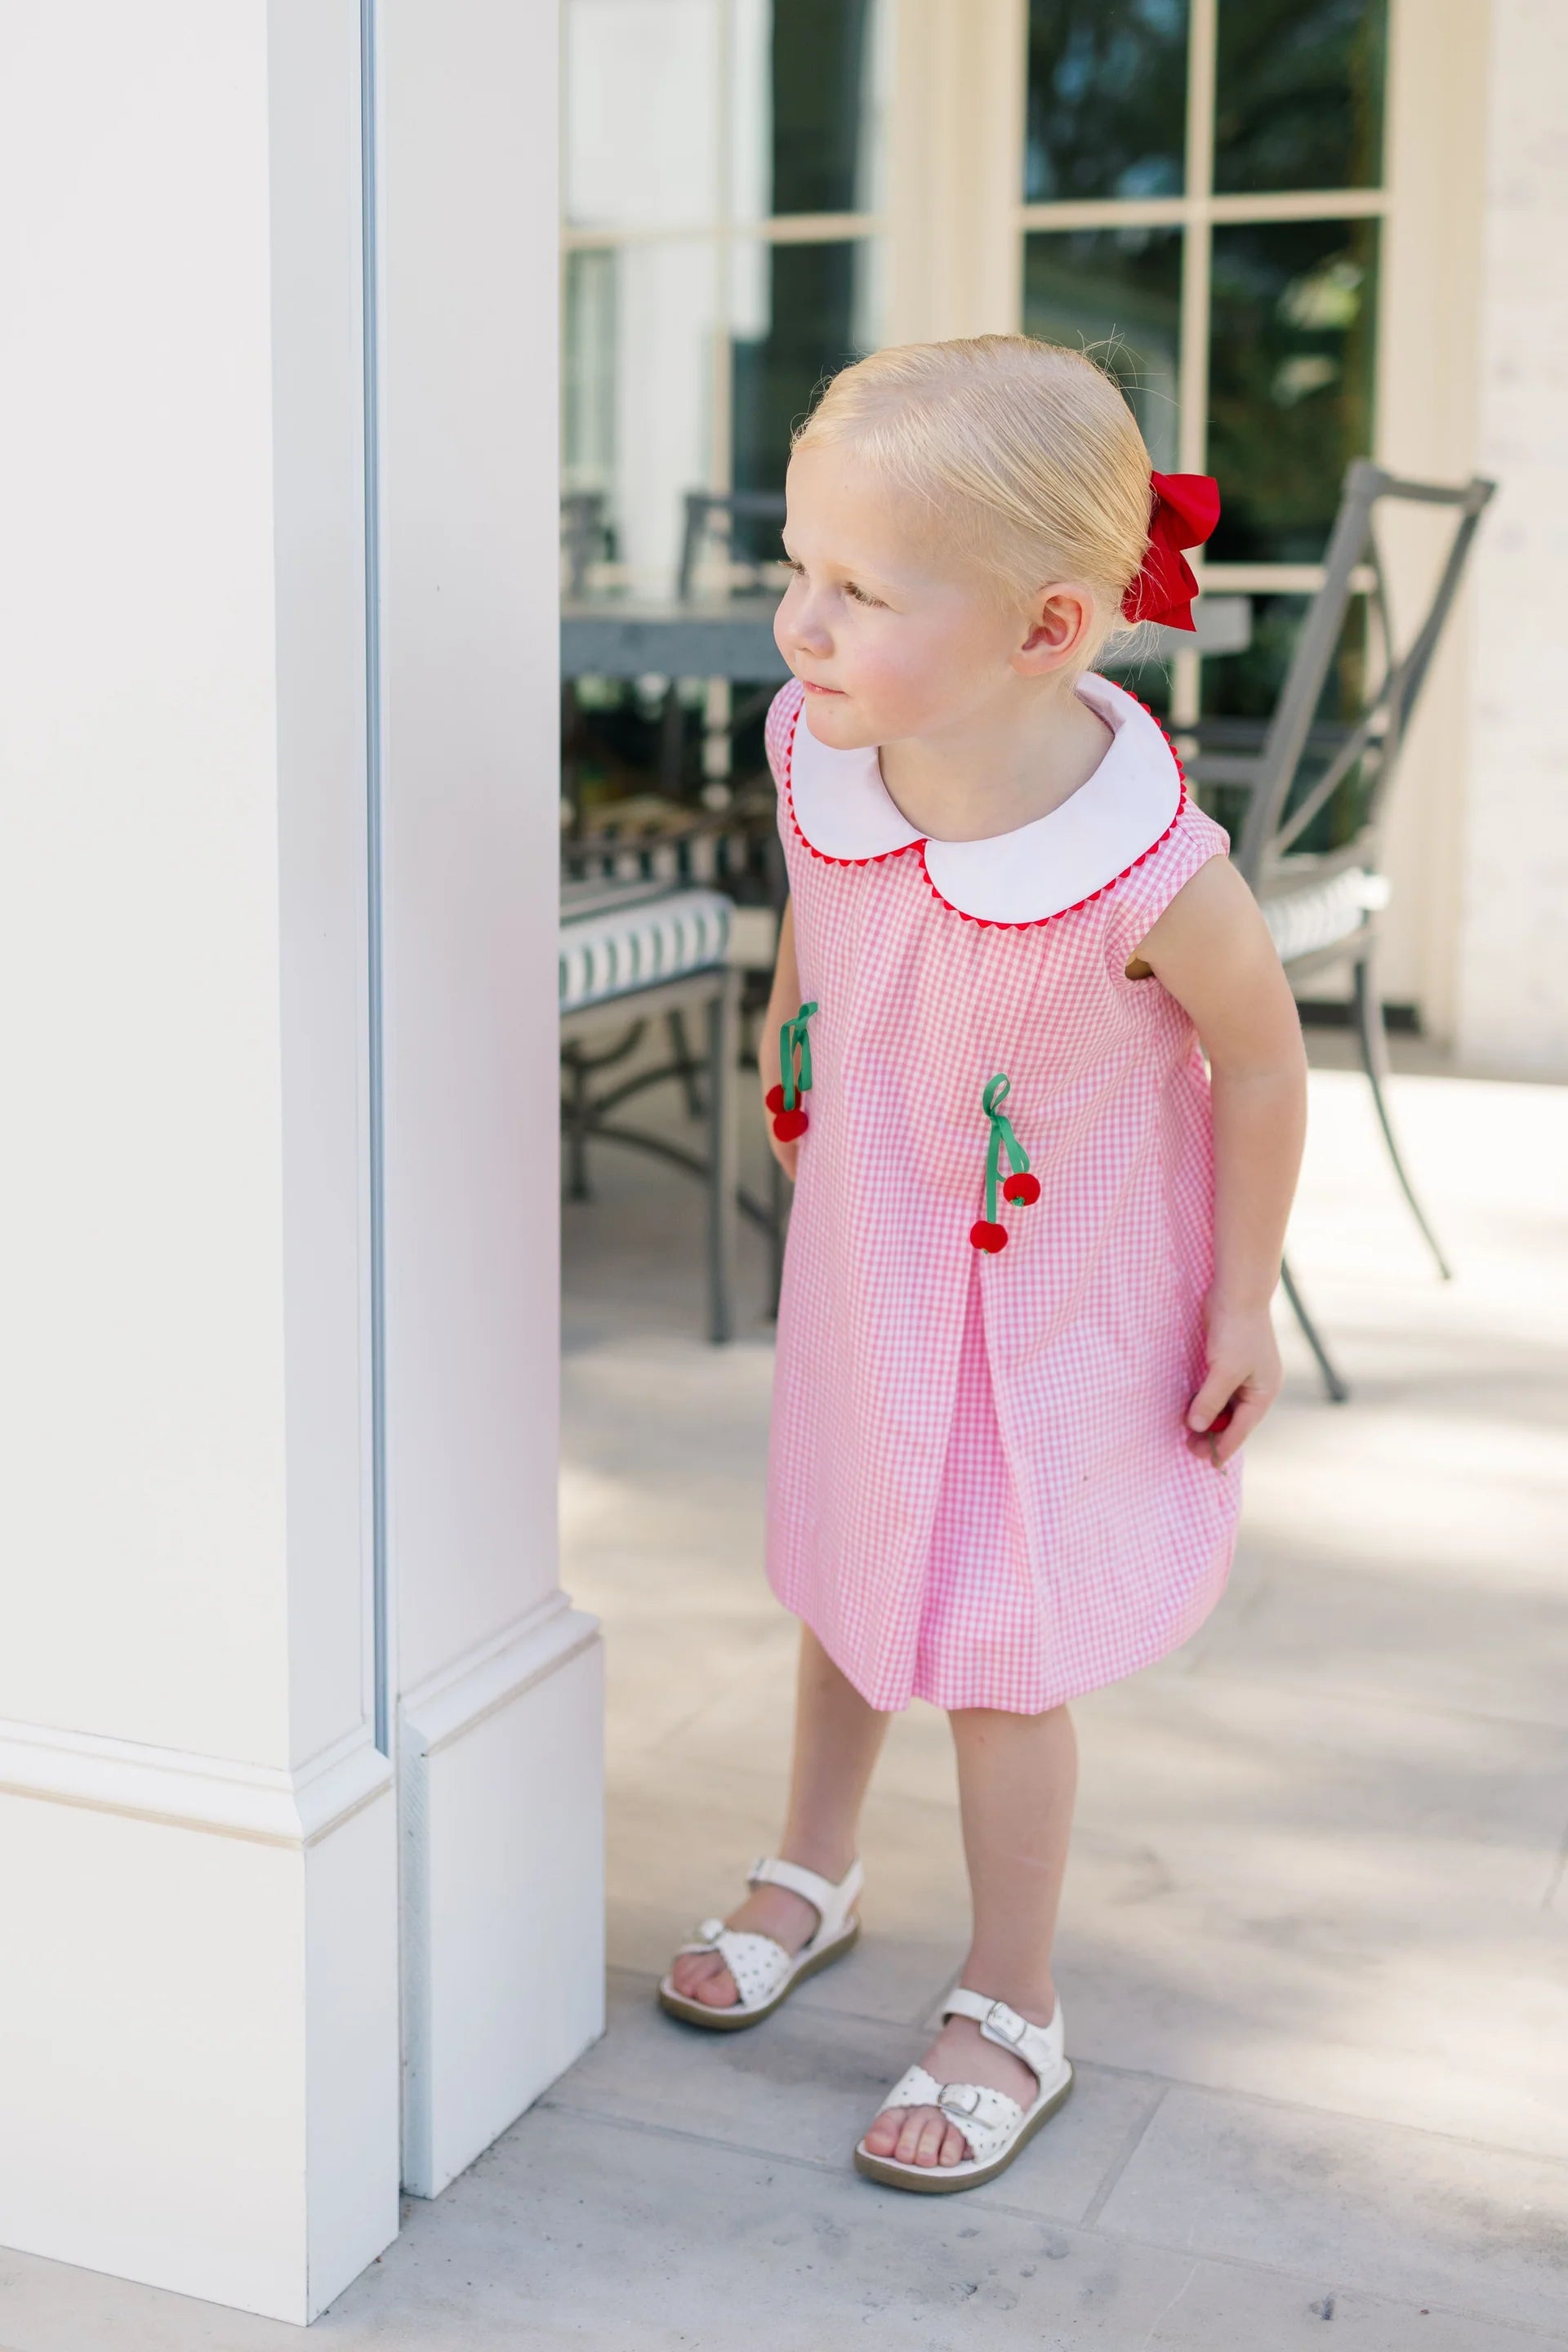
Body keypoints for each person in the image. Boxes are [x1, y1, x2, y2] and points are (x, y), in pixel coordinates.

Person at [657, 336, 1307, 2193]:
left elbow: (1260, 1057)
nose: (800, 623)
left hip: (1058, 1307)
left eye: (858, 590)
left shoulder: (1147, 871)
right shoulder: (821, 749)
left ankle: (1011, 1996)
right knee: (855, 1559)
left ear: (1042, 630)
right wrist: (795, 1026)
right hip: (879, 1253)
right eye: (799, 566)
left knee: (1006, 1642)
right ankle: (816, 1859)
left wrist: (1243, 1295)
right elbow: (818, 902)